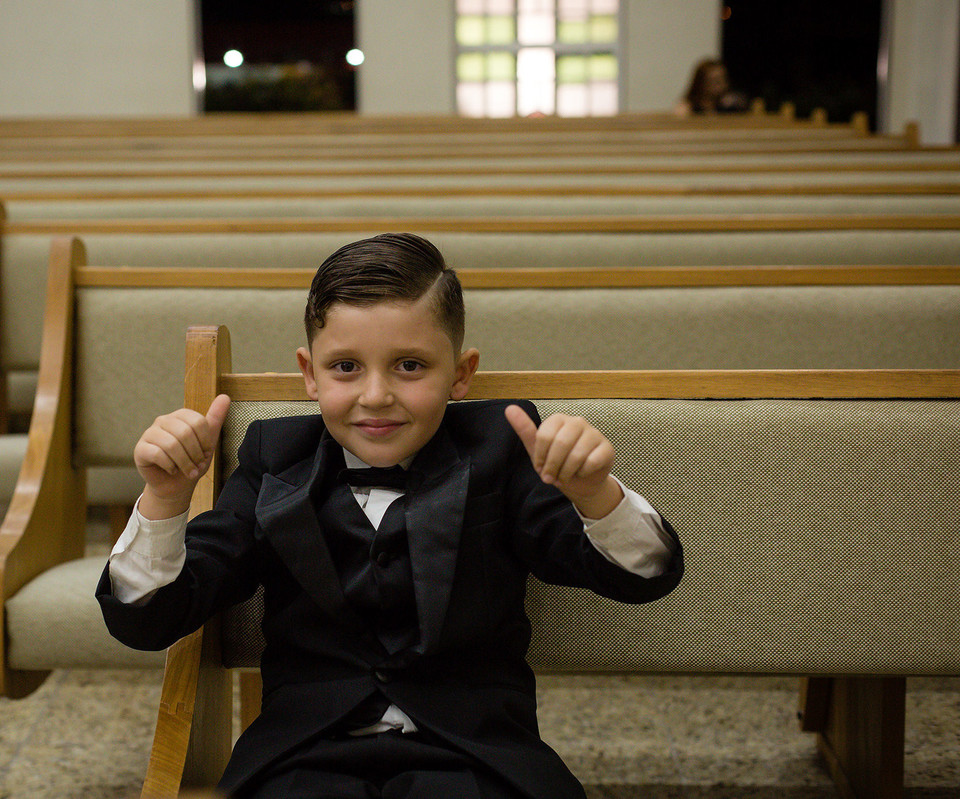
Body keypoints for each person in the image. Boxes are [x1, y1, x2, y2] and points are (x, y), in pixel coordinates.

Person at [96, 232, 684, 799]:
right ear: (309, 373)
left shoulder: (500, 448)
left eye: (409, 366)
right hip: (303, 753)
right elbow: (148, 621)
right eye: (345, 367)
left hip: (472, 753)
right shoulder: (273, 458)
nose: (375, 395)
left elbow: (641, 577)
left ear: (460, 373)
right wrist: (165, 500)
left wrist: (595, 495)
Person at [675, 57, 749, 116]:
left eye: (723, 79)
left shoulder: (729, 104)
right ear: (702, 82)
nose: (721, 84)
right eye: (715, 80)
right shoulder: (689, 107)